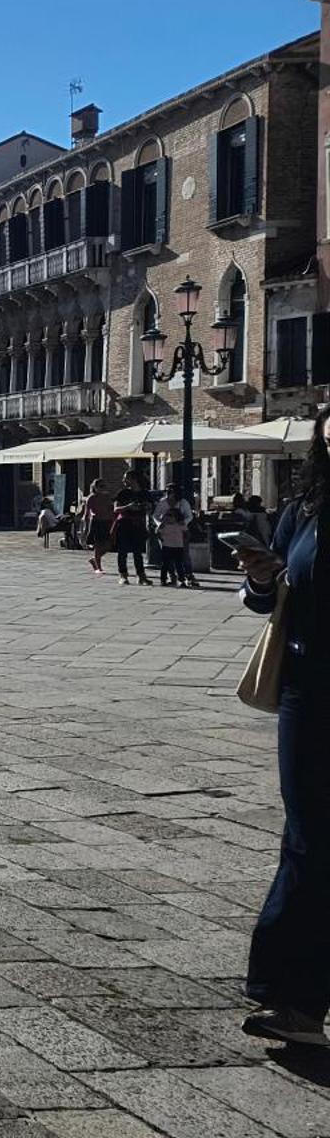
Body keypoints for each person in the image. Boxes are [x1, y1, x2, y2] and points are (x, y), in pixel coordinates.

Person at [235, 408, 330, 1046]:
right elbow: (271, 602)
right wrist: (262, 578)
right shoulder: (307, 506)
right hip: (308, 689)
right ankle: (293, 1000)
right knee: (308, 838)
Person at [153, 486, 196, 587]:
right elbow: (155, 515)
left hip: (179, 536)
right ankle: (171, 576)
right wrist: (160, 524)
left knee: (182, 558)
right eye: (169, 493)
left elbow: (189, 516)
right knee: (166, 560)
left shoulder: (183, 503)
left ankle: (187, 576)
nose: (170, 497)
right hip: (166, 534)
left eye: (172, 494)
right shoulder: (162, 502)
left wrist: (182, 523)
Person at [109, 490, 151, 585]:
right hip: (124, 524)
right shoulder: (123, 493)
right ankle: (123, 575)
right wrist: (128, 507)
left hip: (138, 524)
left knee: (138, 552)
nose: (124, 481)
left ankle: (141, 575)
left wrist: (144, 506)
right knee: (122, 551)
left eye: (126, 478)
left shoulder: (143, 493)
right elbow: (116, 509)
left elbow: (150, 507)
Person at [80, 477, 114, 574]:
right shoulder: (91, 498)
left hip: (107, 521)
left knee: (108, 545)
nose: (103, 488)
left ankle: (94, 559)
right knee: (98, 545)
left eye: (104, 486)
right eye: (100, 486)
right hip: (96, 522)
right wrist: (86, 528)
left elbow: (111, 509)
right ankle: (98, 567)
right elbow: (86, 513)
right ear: (95, 487)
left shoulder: (107, 497)